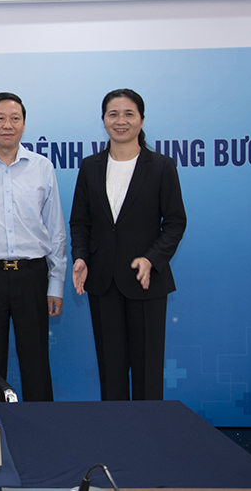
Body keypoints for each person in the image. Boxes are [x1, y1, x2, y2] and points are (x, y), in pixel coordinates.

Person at [70, 88, 187, 401]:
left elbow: (175, 222)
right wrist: (80, 257)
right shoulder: (90, 167)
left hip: (146, 281)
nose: (120, 121)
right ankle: (114, 429)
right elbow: (80, 222)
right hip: (102, 281)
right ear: (103, 120)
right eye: (113, 114)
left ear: (141, 120)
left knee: (148, 373)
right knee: (111, 371)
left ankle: (149, 430)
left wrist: (152, 259)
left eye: (128, 114)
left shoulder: (161, 166)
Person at [0, 92, 67, 402]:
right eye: (0, 118)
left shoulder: (41, 166)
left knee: (36, 361)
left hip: (32, 276)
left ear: (24, 124)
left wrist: (56, 283)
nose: (7, 125)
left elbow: (55, 229)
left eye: (14, 119)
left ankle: (41, 423)